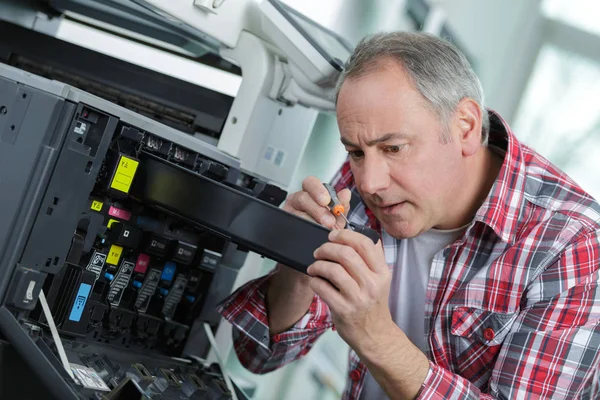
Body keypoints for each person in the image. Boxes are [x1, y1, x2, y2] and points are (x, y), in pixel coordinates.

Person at [217, 31, 600, 399]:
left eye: (395, 148)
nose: (369, 182)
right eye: (355, 152)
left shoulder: (572, 245)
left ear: (465, 126)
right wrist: (297, 268)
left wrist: (373, 333)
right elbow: (260, 356)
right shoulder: (366, 179)